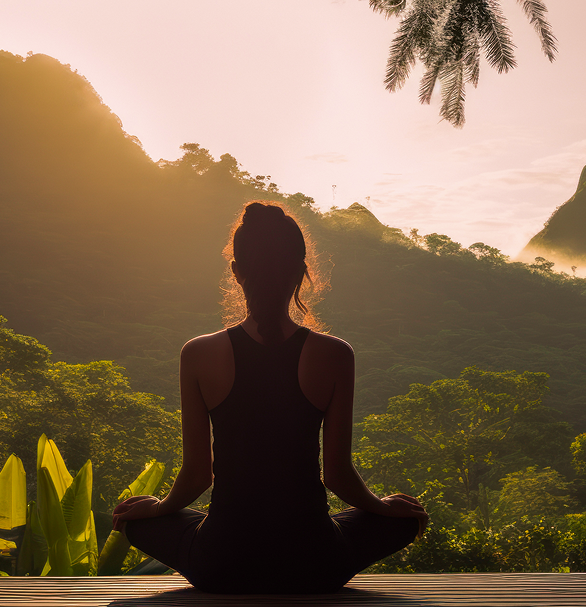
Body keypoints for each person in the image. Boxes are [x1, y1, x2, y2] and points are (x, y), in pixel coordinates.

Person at [112, 201, 428, 593]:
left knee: (136, 515)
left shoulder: (197, 353)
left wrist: (157, 509)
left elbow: (197, 476)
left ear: (236, 272)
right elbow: (338, 477)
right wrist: (385, 508)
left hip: (220, 562)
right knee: (404, 514)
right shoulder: (335, 354)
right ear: (301, 270)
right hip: (314, 562)